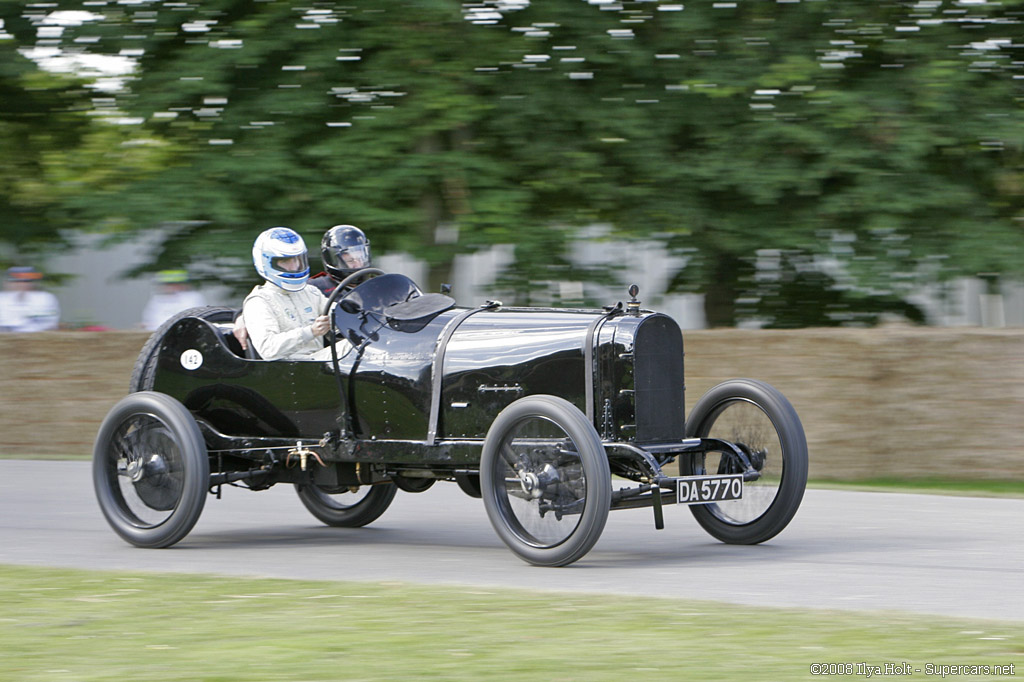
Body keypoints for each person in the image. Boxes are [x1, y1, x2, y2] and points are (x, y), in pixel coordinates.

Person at [235, 224, 373, 352]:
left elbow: (341, 316)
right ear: (267, 263)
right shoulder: (259, 301)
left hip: (320, 363)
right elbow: (268, 349)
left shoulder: (310, 292)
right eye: (285, 261)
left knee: (368, 347)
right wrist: (311, 331)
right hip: (290, 368)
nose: (294, 267)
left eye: (297, 260)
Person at [309, 224, 372, 295]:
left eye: (361, 258)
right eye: (350, 260)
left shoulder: (375, 285)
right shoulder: (315, 289)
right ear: (335, 262)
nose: (358, 265)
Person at [141, 269, 208, 331]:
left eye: (175, 284)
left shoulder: (192, 297)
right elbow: (150, 319)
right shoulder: (157, 300)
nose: (171, 287)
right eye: (168, 284)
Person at [0, 266, 60, 332]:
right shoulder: (2, 299)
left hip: (35, 338)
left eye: (27, 281)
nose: (22, 284)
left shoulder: (46, 298)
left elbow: (48, 323)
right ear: (7, 283)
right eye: (16, 281)